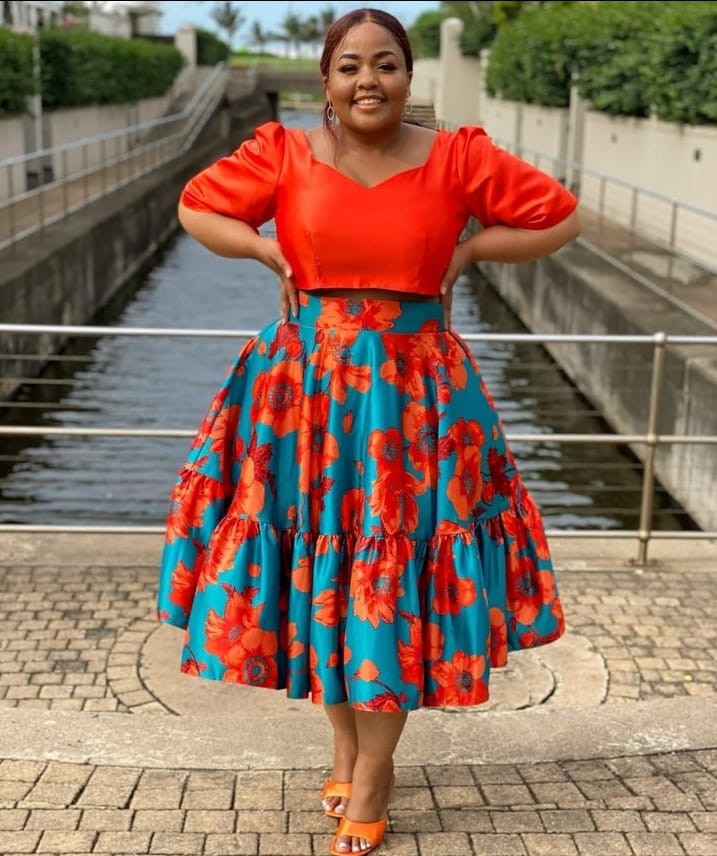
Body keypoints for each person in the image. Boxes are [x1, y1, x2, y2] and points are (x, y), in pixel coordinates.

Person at [156, 7, 580, 855]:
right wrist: (267, 253)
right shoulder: (283, 152)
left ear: (408, 77)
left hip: (415, 396)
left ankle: (377, 775)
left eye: (384, 65)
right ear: (326, 79)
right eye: (349, 66)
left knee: (388, 572)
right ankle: (346, 748)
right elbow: (197, 207)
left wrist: (468, 253)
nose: (367, 82)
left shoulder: (458, 157)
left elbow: (557, 217)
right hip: (303, 390)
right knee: (328, 565)